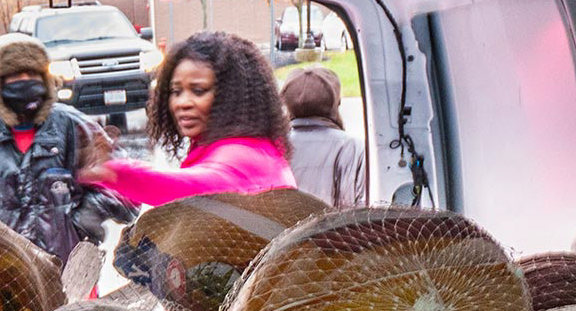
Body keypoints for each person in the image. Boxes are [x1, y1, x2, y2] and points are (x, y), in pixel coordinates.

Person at [0, 33, 132, 262]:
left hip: (69, 271)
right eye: (14, 75)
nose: (24, 80)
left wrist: (81, 224)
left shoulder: (73, 127)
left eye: (32, 74)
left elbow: (124, 183)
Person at [80, 31, 295, 205]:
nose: (182, 102)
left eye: (199, 90)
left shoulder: (242, 154)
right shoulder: (252, 147)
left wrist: (117, 172)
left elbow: (192, 187)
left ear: (232, 95)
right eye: (176, 91)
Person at [280, 65, 367, 208]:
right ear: (336, 103)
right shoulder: (354, 147)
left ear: (286, 104)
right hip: (338, 229)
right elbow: (362, 208)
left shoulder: (273, 147)